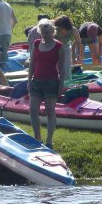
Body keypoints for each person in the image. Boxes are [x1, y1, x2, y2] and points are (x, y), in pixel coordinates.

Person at [28, 19, 65, 150]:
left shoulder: (59, 46)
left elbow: (62, 67)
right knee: (32, 109)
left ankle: (49, 140)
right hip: (36, 81)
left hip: (52, 82)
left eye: (48, 32)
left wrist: (61, 84)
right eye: (43, 33)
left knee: (50, 110)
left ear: (53, 32)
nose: (46, 35)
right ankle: (37, 138)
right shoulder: (36, 43)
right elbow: (32, 63)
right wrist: (29, 80)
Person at [53, 15, 82, 80]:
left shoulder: (73, 30)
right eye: (60, 29)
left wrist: (78, 53)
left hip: (65, 47)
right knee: (54, 66)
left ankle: (67, 82)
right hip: (54, 47)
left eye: (64, 29)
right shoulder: (53, 30)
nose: (62, 31)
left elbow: (78, 41)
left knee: (67, 67)